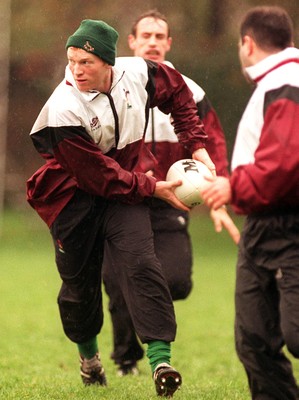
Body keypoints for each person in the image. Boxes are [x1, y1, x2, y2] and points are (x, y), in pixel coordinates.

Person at [26, 18, 218, 397]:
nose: (76, 70)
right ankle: (90, 359)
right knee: (79, 289)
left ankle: (161, 362)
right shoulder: (63, 108)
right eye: (72, 61)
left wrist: (195, 143)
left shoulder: (141, 73)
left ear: (109, 62)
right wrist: (155, 187)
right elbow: (98, 176)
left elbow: (180, 94)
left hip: (125, 192)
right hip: (75, 197)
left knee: (142, 264)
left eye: (86, 62)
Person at [102, 9, 240, 377]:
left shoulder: (190, 90)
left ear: (169, 44)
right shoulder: (108, 83)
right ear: (131, 42)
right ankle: (127, 360)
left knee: (175, 280)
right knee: (118, 283)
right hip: (123, 199)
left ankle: (148, 311)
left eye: (159, 37)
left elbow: (212, 143)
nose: (152, 42)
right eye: (145, 35)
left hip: (172, 200)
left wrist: (218, 193)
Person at [201, 6, 299, 400]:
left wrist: (233, 188)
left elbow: (286, 161)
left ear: (247, 43)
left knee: (295, 333)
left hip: (287, 224)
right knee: (254, 340)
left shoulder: (287, 83)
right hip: (261, 225)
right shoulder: (273, 83)